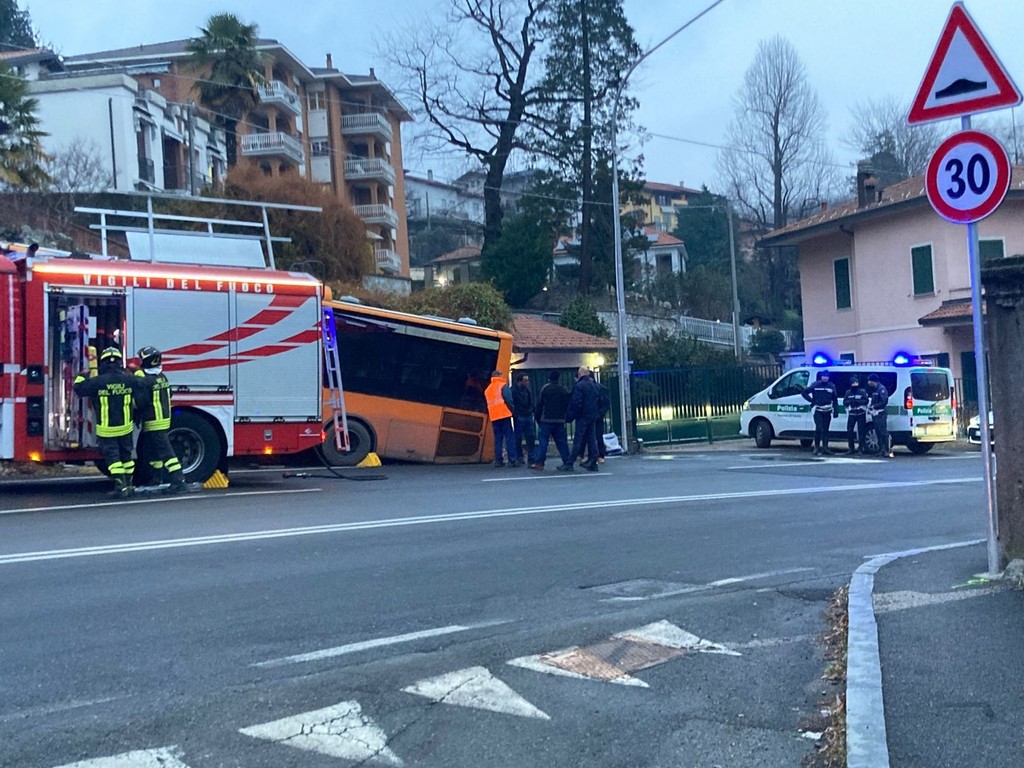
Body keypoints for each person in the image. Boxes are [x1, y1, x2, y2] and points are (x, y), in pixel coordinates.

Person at [73, 347, 141, 498]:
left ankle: (120, 487)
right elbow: (143, 384)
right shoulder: (129, 380)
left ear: (102, 363)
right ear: (119, 362)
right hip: (126, 428)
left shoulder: (98, 382)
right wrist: (136, 370)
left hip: (107, 429)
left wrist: (81, 376)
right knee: (127, 457)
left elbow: (78, 389)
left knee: (113, 459)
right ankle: (129, 486)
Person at [133, 346, 187, 493]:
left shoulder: (147, 381)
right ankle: (156, 478)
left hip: (153, 422)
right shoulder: (162, 377)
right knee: (154, 453)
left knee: (166, 453)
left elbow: (139, 402)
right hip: (163, 420)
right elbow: (169, 394)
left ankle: (179, 480)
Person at [560, 366, 600, 472]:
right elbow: (598, 400)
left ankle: (570, 462)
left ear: (580, 373)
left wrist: (569, 416)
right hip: (592, 415)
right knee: (592, 438)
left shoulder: (579, 386)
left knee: (578, 439)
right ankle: (593, 460)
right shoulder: (594, 385)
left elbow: (576, 403)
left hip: (582, 416)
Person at [529, 371, 571, 470]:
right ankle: (567, 462)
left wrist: (537, 418)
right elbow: (567, 404)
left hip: (546, 419)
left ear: (549, 378)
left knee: (543, 442)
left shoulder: (545, 389)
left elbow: (539, 404)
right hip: (559, 420)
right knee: (562, 443)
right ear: (558, 378)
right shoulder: (563, 390)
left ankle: (540, 463)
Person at [484, 370, 518, 467]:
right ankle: (512, 460)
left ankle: (498, 460)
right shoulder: (502, 385)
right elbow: (509, 399)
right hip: (504, 414)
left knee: (498, 438)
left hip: (494, 416)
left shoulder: (488, 389)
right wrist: (513, 410)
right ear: (499, 375)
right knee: (509, 437)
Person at [801, 369, 838, 456]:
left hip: (827, 410)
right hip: (818, 410)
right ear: (821, 377)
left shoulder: (831, 386)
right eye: (824, 376)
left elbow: (835, 399)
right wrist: (812, 401)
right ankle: (816, 447)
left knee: (826, 430)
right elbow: (804, 392)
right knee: (818, 429)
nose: (825, 378)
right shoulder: (815, 385)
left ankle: (825, 447)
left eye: (827, 376)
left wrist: (836, 411)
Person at [511, 372, 536, 464]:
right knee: (519, 438)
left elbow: (530, 401)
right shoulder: (514, 391)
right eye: (525, 381)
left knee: (530, 437)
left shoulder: (525, 390)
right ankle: (520, 456)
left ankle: (530, 457)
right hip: (521, 415)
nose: (527, 382)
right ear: (519, 381)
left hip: (526, 415)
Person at [867, 373, 892, 458]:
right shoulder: (875, 389)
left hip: (880, 413)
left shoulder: (881, 389)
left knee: (882, 432)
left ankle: (886, 450)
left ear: (873, 381)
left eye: (869, 381)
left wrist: (874, 406)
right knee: (877, 431)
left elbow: (884, 401)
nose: (868, 383)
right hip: (875, 413)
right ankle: (881, 450)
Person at [843, 375, 869, 454]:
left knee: (861, 431)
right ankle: (851, 448)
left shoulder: (862, 391)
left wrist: (858, 403)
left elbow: (866, 401)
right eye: (853, 383)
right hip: (852, 414)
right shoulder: (848, 392)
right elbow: (845, 402)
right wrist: (850, 402)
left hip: (861, 413)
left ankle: (860, 448)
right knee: (849, 430)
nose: (854, 384)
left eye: (856, 383)